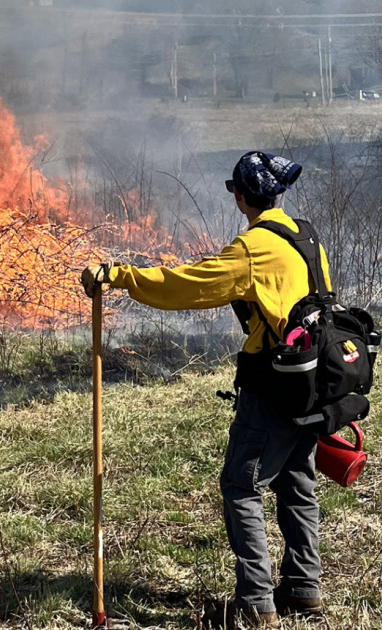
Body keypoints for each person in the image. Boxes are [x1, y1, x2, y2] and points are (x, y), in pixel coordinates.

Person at [81, 151, 330, 628]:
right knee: (297, 481)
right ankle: (303, 587)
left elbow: (186, 286)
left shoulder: (254, 247)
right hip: (312, 381)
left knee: (241, 485)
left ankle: (256, 603)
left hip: (273, 385)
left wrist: (121, 276)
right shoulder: (306, 235)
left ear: (240, 197)